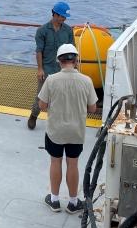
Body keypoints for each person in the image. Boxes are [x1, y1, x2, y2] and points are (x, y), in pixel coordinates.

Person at [38, 43, 98, 214]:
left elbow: (42, 105)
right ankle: (73, 202)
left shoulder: (51, 80)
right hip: (76, 131)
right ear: (76, 60)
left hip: (55, 131)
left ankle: (55, 200)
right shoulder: (86, 81)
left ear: (59, 61)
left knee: (55, 161)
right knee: (73, 163)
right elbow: (93, 108)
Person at [28, 1, 74, 130]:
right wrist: (40, 69)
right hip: (47, 68)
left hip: (63, 69)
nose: (64, 19)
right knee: (40, 95)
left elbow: (71, 49)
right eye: (62, 16)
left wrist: (74, 68)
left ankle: (58, 120)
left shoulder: (68, 30)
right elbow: (39, 51)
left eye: (65, 17)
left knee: (62, 96)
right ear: (55, 14)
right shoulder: (42, 31)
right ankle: (33, 115)